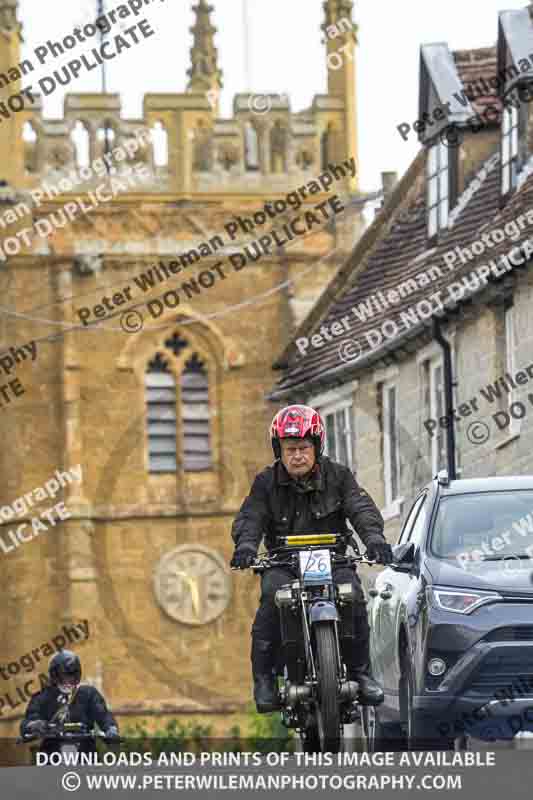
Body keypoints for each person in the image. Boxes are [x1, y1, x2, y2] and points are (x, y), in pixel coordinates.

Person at [230, 404, 392, 713]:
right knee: (271, 598)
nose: (297, 456)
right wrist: (246, 546)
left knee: (353, 597)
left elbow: (361, 510)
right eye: (290, 449)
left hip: (333, 561)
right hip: (283, 564)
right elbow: (251, 516)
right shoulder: (265, 482)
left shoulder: (339, 476)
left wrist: (374, 541)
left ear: (316, 446)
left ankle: (361, 672)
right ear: (279, 450)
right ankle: (265, 679)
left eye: (303, 448)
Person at [20, 650, 119, 755]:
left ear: (78, 674)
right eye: (63, 676)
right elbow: (28, 721)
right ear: (54, 675)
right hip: (51, 753)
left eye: (72, 676)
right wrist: (33, 725)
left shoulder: (89, 694)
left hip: (85, 753)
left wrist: (111, 729)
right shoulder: (42, 697)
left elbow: (103, 714)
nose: (67, 681)